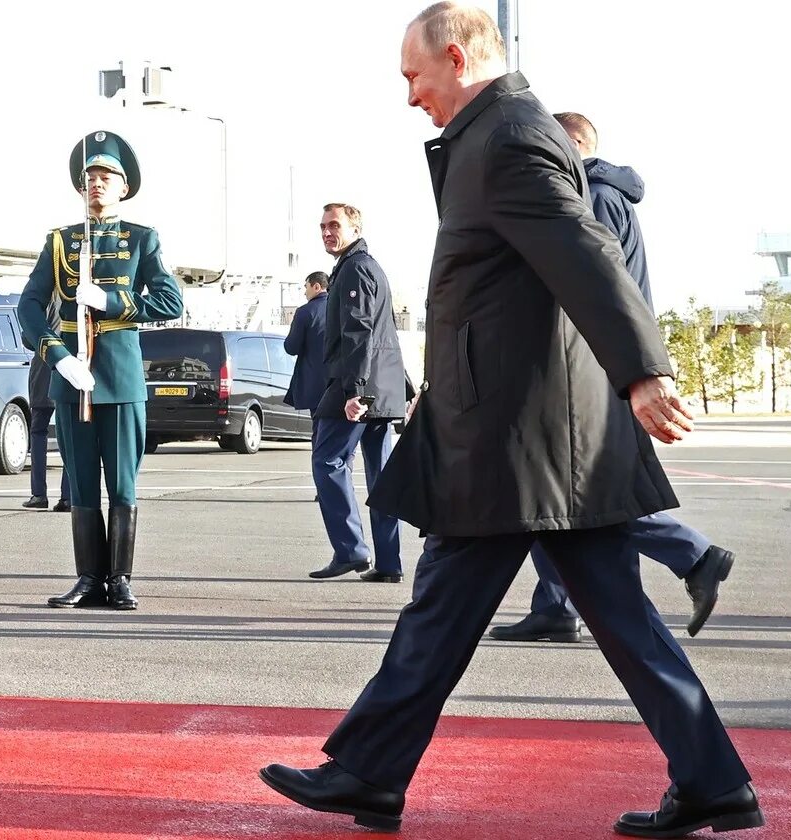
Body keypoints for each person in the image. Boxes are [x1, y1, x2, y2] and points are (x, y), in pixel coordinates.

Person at [259, 5, 762, 837]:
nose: (410, 97)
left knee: (450, 601)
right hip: (521, 432)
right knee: (573, 613)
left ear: (455, 58)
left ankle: (368, 771)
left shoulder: (510, 137)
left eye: (413, 77)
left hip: (519, 438)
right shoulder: (491, 136)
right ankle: (711, 781)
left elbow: (581, 249)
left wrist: (642, 370)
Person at [491, 112, 736, 644]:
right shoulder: (601, 193)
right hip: (602, 359)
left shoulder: (594, 196)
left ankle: (694, 555)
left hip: (596, 362)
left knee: (578, 492)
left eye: (552, 145)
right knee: (563, 492)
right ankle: (555, 605)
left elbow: (594, 285)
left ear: (573, 144)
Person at [17, 130, 184, 611]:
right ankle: (89, 578)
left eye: (106, 176)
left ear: (124, 186)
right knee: (82, 480)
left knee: (123, 485)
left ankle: (121, 578)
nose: (97, 183)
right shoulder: (60, 242)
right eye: (91, 176)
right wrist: (59, 357)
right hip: (73, 381)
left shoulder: (141, 240)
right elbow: (29, 306)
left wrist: (109, 300)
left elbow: (171, 300)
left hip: (121, 379)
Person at [305, 205, 411, 584]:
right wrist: (406, 388)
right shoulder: (367, 267)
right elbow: (386, 335)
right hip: (381, 391)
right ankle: (388, 562)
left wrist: (355, 392)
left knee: (328, 461)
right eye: (322, 227)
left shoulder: (355, 268)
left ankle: (351, 550)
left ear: (355, 227)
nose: (326, 232)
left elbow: (361, 331)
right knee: (381, 478)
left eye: (334, 225)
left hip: (360, 389)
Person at [24, 316, 72, 512]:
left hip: (44, 370)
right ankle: (68, 496)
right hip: (70, 370)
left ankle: (38, 494)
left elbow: (28, 338)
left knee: (38, 433)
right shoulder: (73, 297)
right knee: (69, 437)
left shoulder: (42, 298)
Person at [282, 271, 329, 414]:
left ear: (316, 286)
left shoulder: (305, 312)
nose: (304, 292)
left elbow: (291, 347)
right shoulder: (340, 308)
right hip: (339, 382)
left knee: (318, 428)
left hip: (314, 382)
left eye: (306, 287)